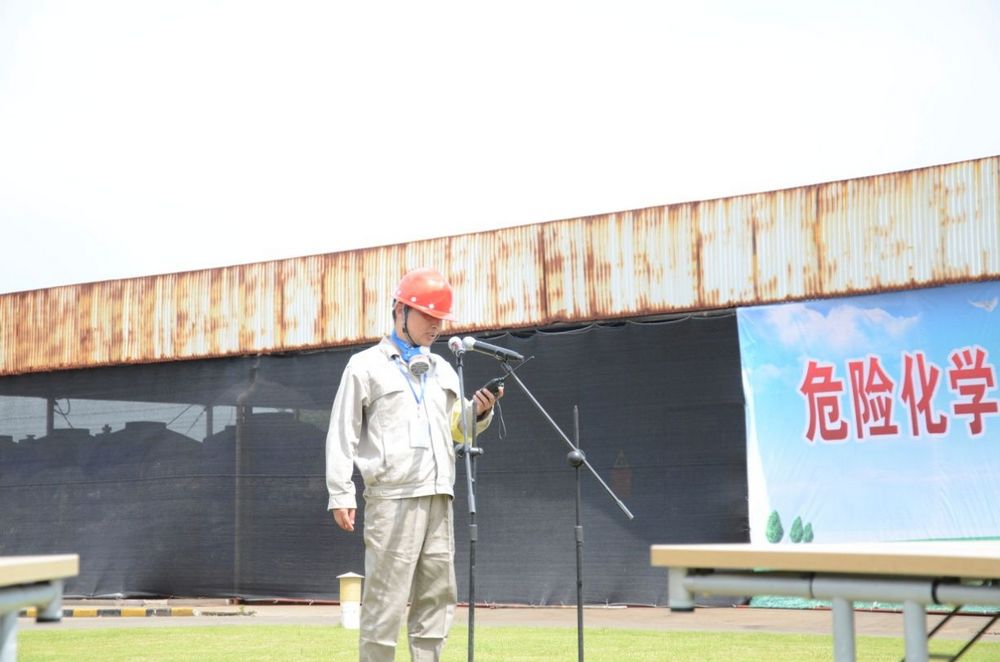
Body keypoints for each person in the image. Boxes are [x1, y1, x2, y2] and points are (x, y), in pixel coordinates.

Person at [326, 267, 502, 662]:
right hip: (393, 499)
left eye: (441, 318)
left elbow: (457, 429)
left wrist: (479, 411)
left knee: (438, 599)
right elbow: (341, 432)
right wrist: (340, 492)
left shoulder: (442, 369)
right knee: (385, 602)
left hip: (439, 496)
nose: (436, 326)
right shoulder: (364, 366)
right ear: (400, 310)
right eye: (428, 315)